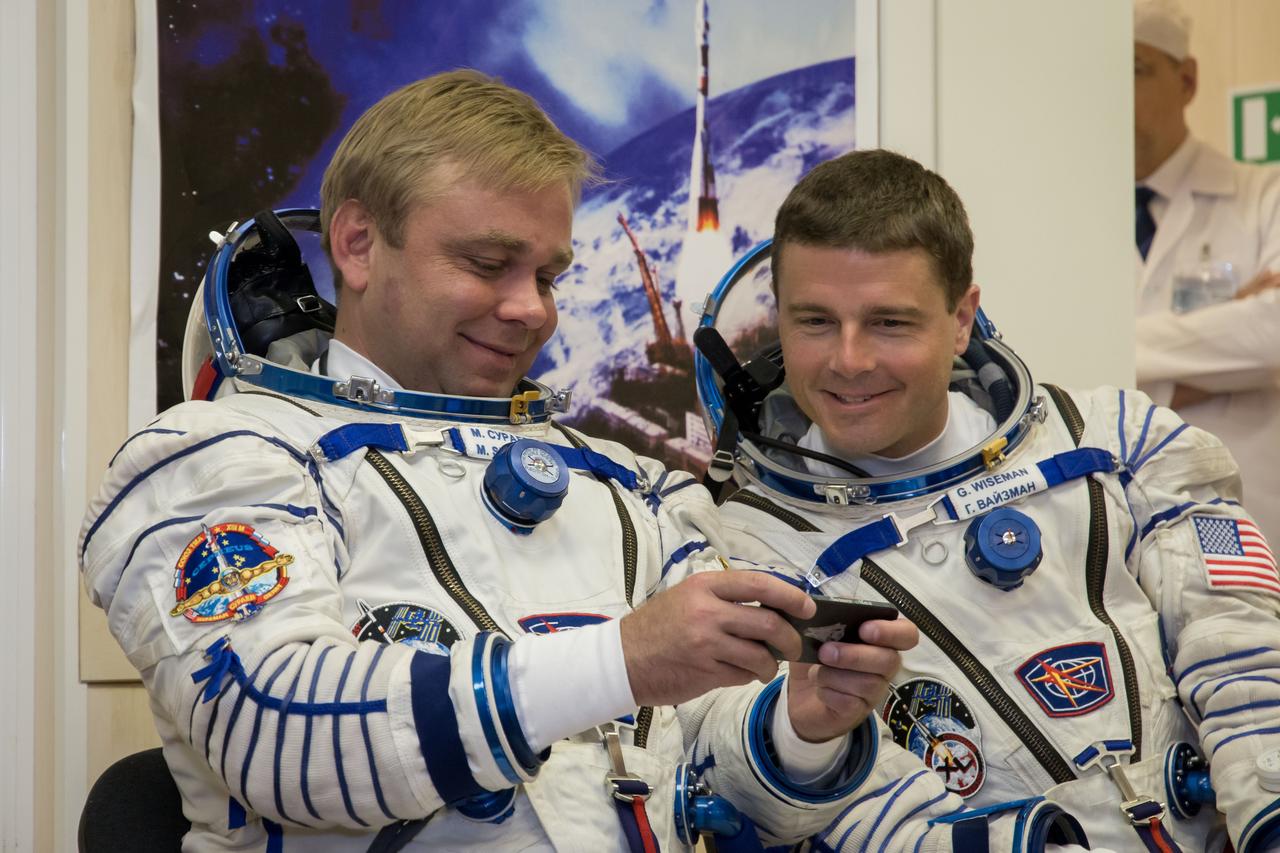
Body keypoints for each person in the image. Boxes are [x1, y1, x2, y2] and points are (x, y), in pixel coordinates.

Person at [77, 71, 920, 851]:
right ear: (360, 243)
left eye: (548, 275)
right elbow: (277, 732)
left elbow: (713, 768)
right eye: (488, 264)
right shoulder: (216, 458)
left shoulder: (625, 486)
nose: (532, 310)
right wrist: (621, 661)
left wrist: (798, 728)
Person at [702, 148, 1280, 851]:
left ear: (961, 319)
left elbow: (1244, 649)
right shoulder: (746, 548)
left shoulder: (1116, 443)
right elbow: (764, 795)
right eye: (815, 321)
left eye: (889, 323)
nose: (849, 360)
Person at [1132, 0, 1280, 543]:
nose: (1115, 92)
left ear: (1187, 79)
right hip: (1123, 509)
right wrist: (1221, 328)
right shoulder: (1069, 218)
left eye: (1136, 69)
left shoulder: (1264, 194)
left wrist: (1114, 359)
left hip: (1246, 504)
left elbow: (1272, 332)